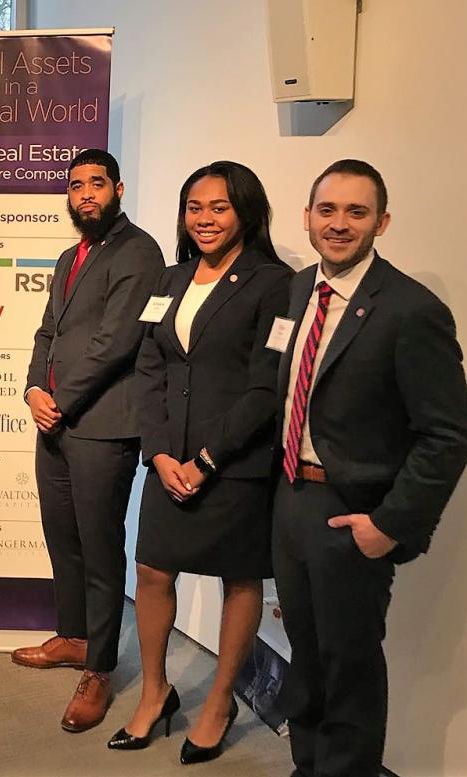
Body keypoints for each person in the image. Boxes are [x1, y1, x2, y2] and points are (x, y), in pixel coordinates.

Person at [272, 159, 467, 777]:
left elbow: (447, 434)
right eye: (326, 210)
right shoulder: (301, 289)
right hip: (293, 500)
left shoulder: (412, 310)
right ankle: (309, 765)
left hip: (352, 511)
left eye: (356, 212)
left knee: (348, 662)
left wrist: (390, 525)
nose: (339, 224)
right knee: (303, 653)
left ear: (382, 221)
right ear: (307, 218)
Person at [110, 161, 291, 764]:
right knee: (154, 573)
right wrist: (160, 452)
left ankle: (218, 701)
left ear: (245, 211)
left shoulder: (274, 283)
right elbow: (150, 369)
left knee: (238, 579)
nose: (205, 218)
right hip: (169, 461)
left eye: (219, 206)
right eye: (195, 206)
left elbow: (267, 388)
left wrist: (208, 459)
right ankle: (156, 691)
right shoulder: (169, 279)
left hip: (234, 464)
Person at [11, 149, 165, 732]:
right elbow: (48, 329)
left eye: (96, 184)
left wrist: (60, 400)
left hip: (102, 423)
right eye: (76, 186)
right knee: (63, 538)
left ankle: (99, 667)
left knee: (100, 550)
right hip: (54, 420)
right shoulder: (68, 256)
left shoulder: (139, 251)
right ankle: (74, 637)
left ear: (118, 189)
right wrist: (32, 388)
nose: (85, 195)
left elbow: (116, 341)